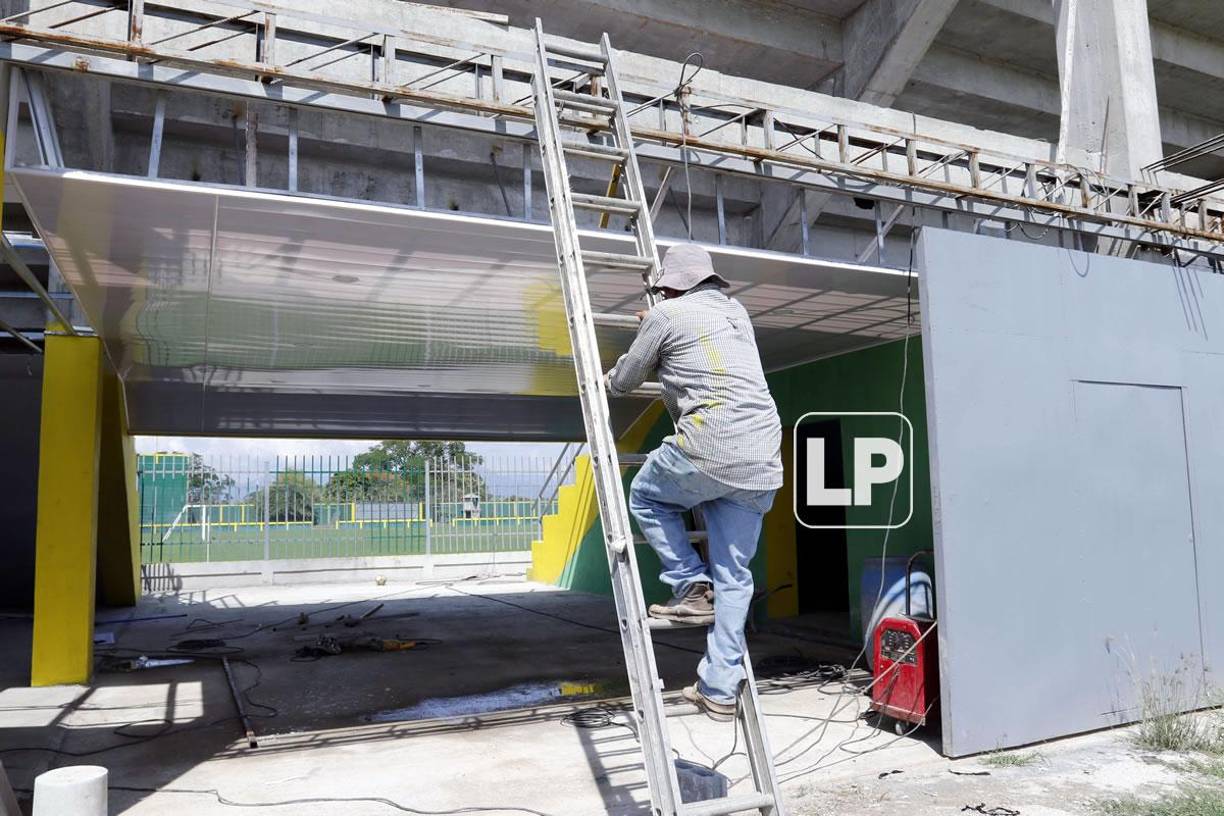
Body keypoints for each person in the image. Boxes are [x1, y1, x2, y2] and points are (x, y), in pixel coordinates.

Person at [605, 243, 783, 722]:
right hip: (762, 457)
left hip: (710, 444)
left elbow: (624, 381)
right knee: (735, 576)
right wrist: (659, 321)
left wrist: (642, 335)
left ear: (670, 286)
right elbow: (700, 335)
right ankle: (720, 689)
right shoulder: (737, 312)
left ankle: (689, 584)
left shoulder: (665, 316)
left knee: (646, 497)